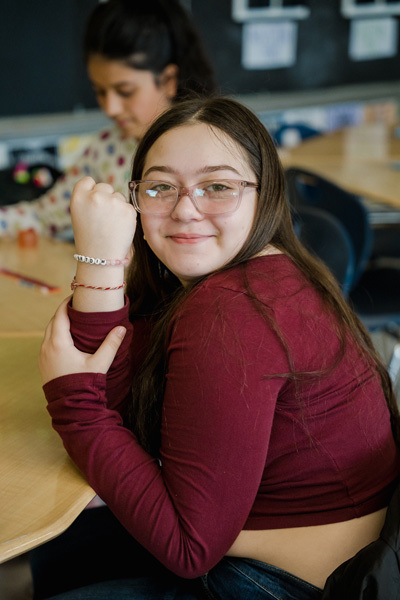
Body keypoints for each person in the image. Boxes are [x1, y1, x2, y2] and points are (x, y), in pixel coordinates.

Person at [38, 97, 400, 600]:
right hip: (277, 546)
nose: (185, 209)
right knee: (60, 554)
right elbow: (113, 392)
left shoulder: (232, 311)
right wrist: (102, 260)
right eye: (161, 187)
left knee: (62, 566)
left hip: (297, 585)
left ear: (263, 195)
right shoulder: (261, 269)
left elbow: (190, 549)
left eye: (218, 187)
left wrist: (74, 406)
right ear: (136, 198)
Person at [0, 0, 216, 238]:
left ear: (167, 80)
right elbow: (43, 217)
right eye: (100, 92)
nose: (110, 108)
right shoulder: (106, 149)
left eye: (125, 91)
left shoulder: (215, 147)